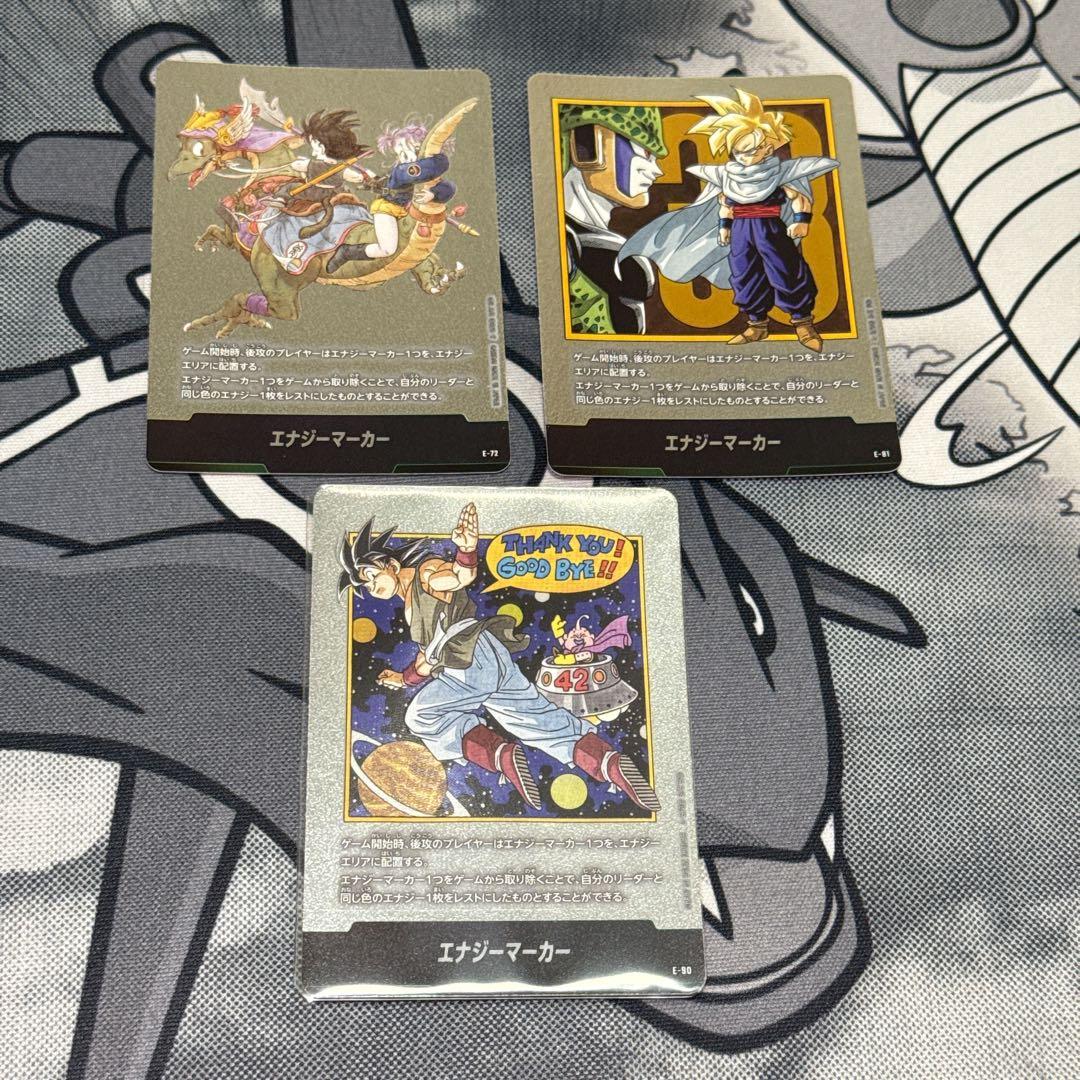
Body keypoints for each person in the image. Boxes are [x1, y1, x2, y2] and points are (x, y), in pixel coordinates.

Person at [338, 504, 660, 812]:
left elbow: (458, 577)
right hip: (489, 654)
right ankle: (609, 763)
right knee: (538, 720)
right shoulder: (411, 600)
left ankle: (500, 755)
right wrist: (403, 678)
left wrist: (466, 551)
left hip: (468, 661)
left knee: (421, 716)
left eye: (371, 575)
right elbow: (427, 658)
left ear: (391, 565)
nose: (371, 586)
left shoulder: (425, 574)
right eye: (364, 584)